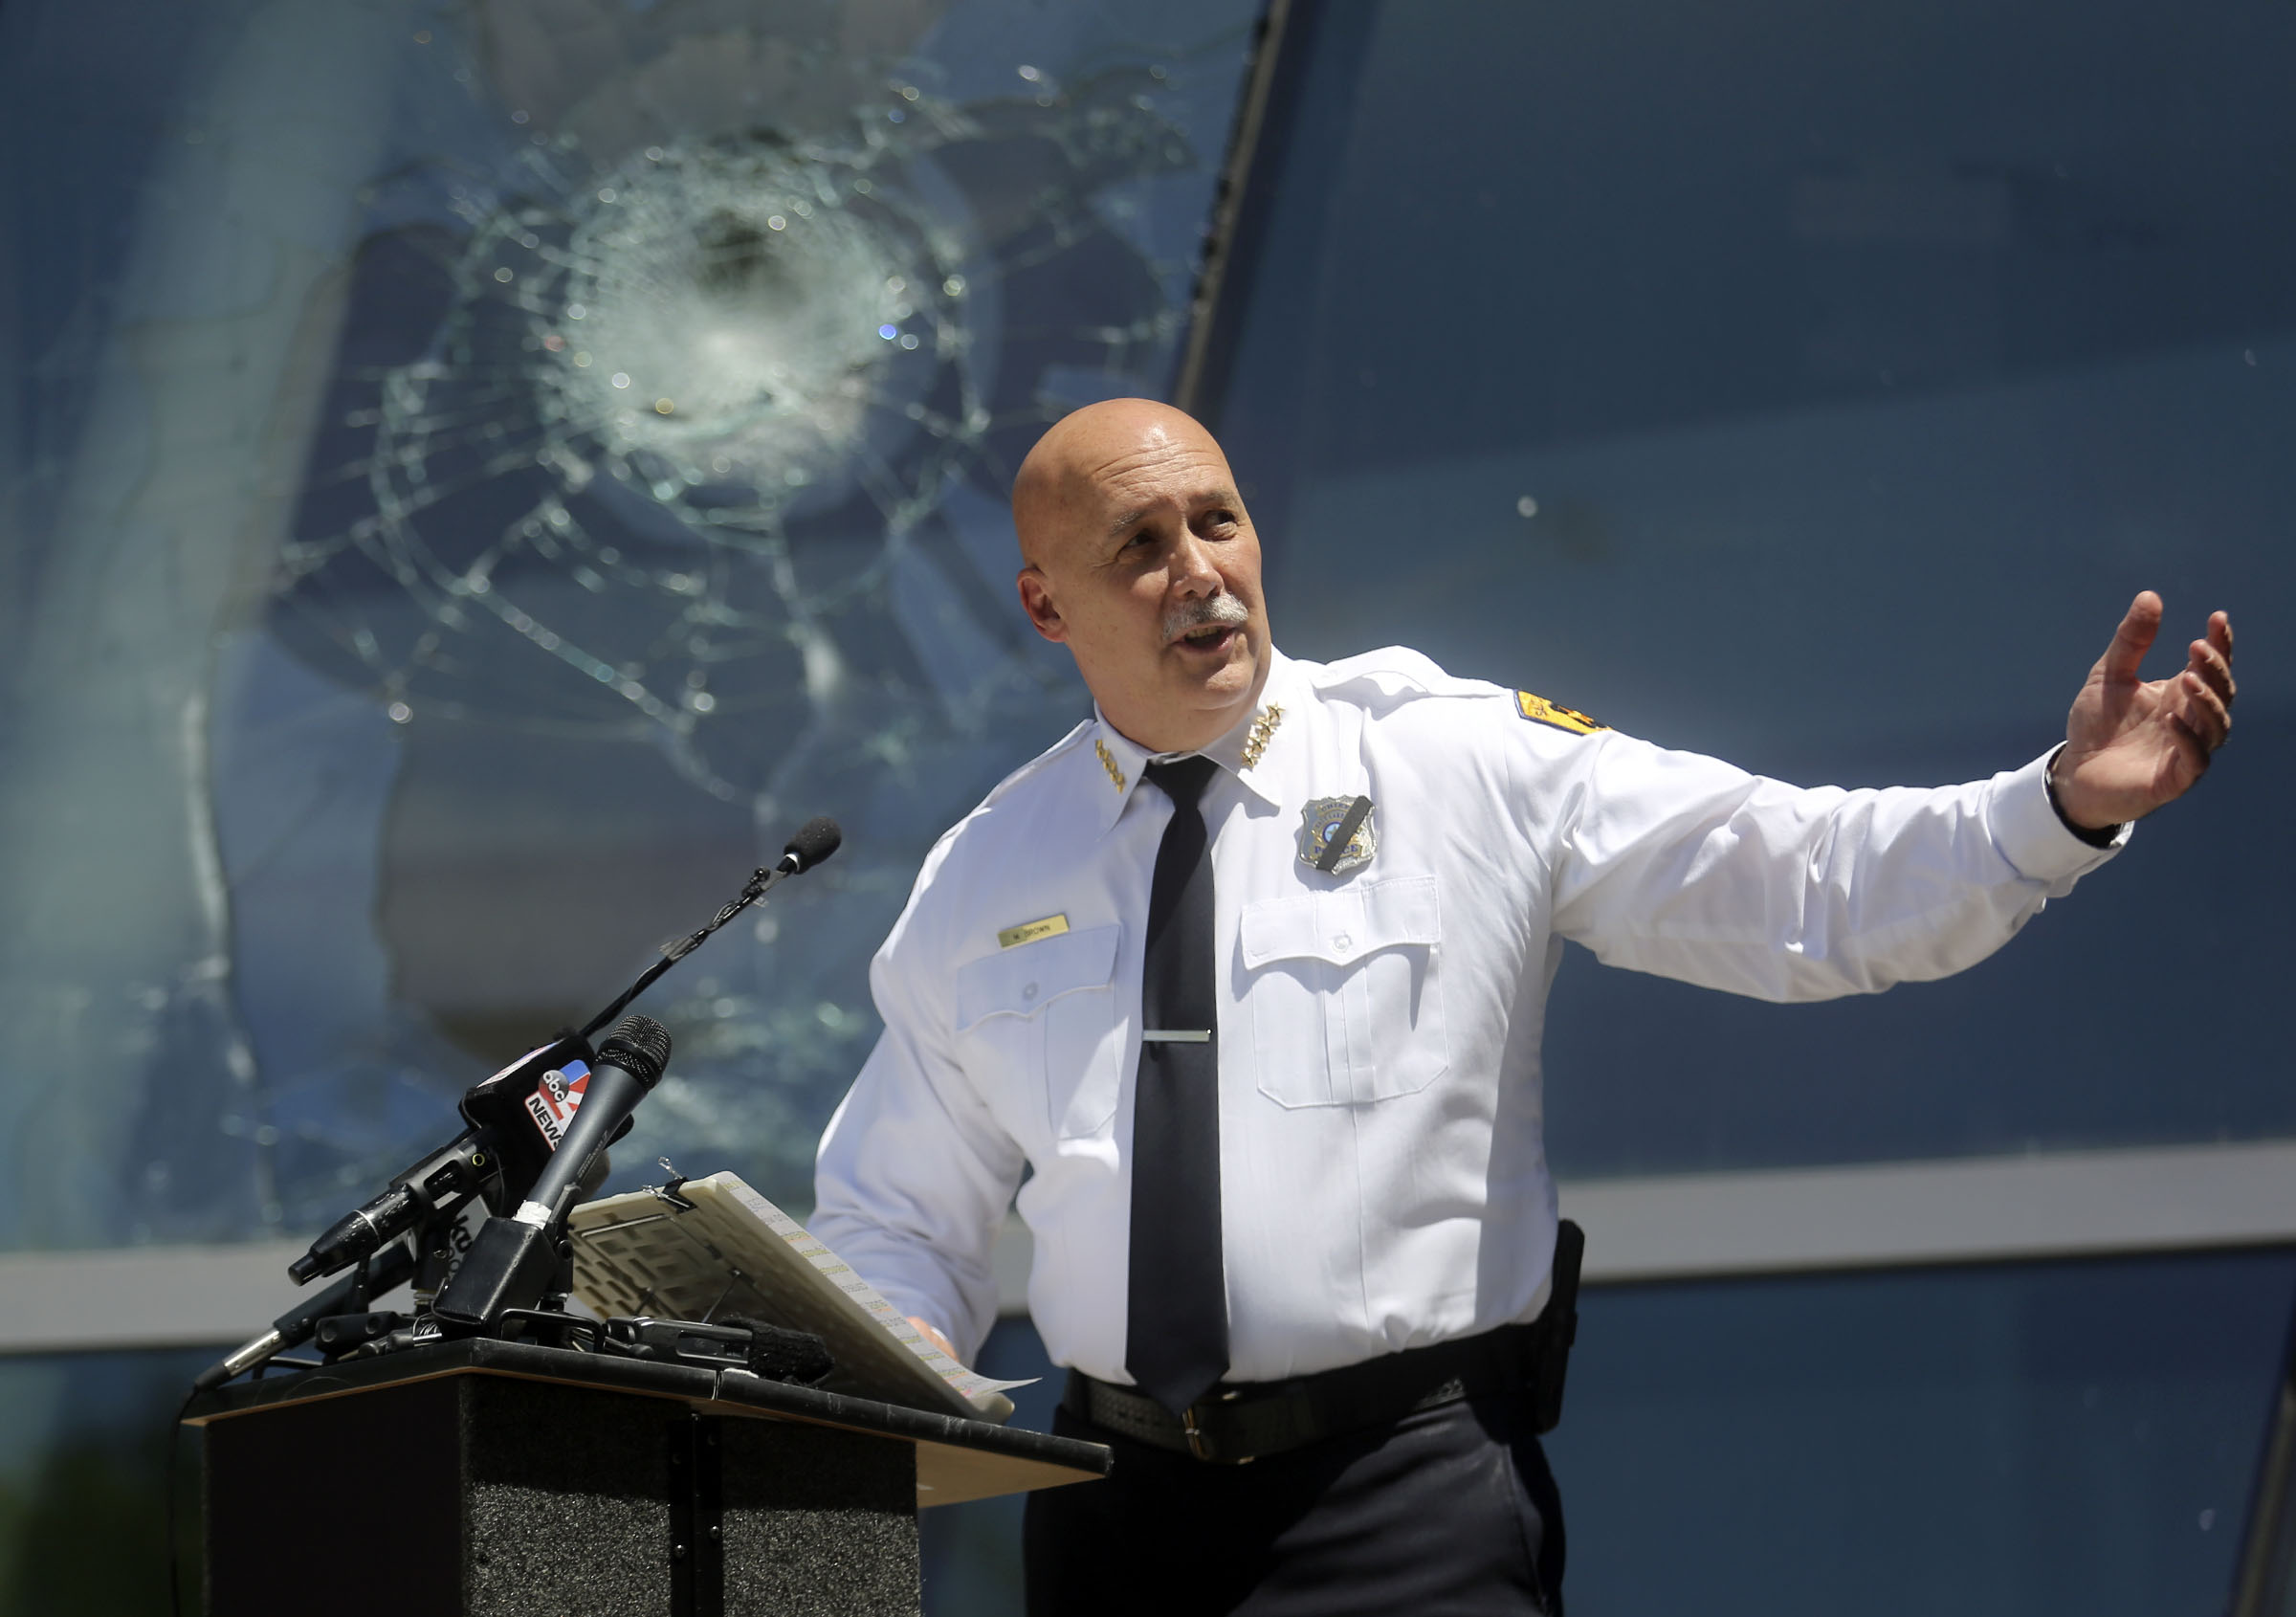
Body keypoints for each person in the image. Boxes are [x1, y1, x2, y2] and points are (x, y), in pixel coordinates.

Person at [809, 398, 2236, 1615]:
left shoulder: (1454, 762)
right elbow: (894, 1215)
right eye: (1141, 545)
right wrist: (898, 1352)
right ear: (1044, 602)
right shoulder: (984, 872)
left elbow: (1803, 882)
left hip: (1405, 1497)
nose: (1203, 573)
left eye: (1219, 520)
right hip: (1114, 1521)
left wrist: (2048, 810)